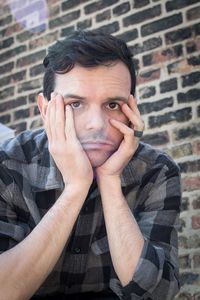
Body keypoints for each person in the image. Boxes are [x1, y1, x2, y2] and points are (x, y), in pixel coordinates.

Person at [0, 30, 181, 300]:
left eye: (112, 104)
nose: (96, 124)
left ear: (131, 108)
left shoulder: (156, 171)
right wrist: (76, 187)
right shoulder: (9, 164)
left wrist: (109, 181)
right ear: (45, 108)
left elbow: (155, 294)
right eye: (75, 104)